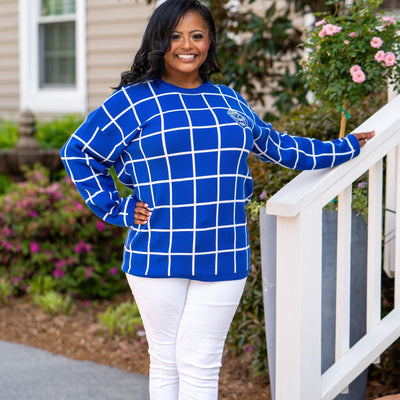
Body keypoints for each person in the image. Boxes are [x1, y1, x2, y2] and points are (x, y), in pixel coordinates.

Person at [60, 0, 374, 399]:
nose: (186, 45)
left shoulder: (228, 101)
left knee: (201, 362)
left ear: (209, 41)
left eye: (196, 35)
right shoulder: (134, 101)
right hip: (158, 251)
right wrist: (116, 207)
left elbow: (278, 146)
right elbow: (79, 152)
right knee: (167, 360)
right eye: (174, 36)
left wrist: (343, 148)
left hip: (225, 250)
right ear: (159, 41)